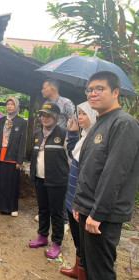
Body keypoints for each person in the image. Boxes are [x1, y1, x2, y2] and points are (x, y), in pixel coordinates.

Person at [72, 71, 139, 280]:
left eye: (99, 88)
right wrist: (78, 204)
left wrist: (97, 213)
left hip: (102, 215)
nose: (92, 93)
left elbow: (115, 173)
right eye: (90, 89)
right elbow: (87, 169)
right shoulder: (98, 123)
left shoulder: (124, 123)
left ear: (115, 92)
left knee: (100, 272)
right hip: (87, 209)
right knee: (90, 268)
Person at [60, 101, 97, 279]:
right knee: (76, 238)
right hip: (72, 197)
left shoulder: (95, 141)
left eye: (84, 113)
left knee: (84, 241)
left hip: (81, 200)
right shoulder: (84, 137)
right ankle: (78, 268)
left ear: (93, 115)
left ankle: (83, 272)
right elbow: (73, 152)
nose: (80, 117)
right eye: (79, 113)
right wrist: (73, 132)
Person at [28, 102, 71, 259]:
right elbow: (35, 157)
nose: (45, 118)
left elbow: (70, 159)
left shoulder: (64, 134)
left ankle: (57, 243)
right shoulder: (37, 134)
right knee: (43, 209)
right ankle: (42, 237)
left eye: (49, 115)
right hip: (40, 178)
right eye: (43, 115)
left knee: (57, 212)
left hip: (57, 181)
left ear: (57, 117)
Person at [39, 78, 76, 225]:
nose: (42, 90)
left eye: (44, 88)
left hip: (63, 145)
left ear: (52, 89)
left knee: (62, 178)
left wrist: (65, 134)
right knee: (46, 175)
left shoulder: (66, 103)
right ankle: (48, 211)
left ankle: (63, 216)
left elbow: (74, 120)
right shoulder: (45, 105)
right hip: (47, 144)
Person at [0, 97, 27, 217]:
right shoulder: (1, 121)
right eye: (8, 104)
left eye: (12, 104)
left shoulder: (21, 122)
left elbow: (22, 142)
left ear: (16, 106)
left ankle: (12, 207)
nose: (9, 106)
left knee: (11, 183)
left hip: (12, 156)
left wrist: (19, 160)